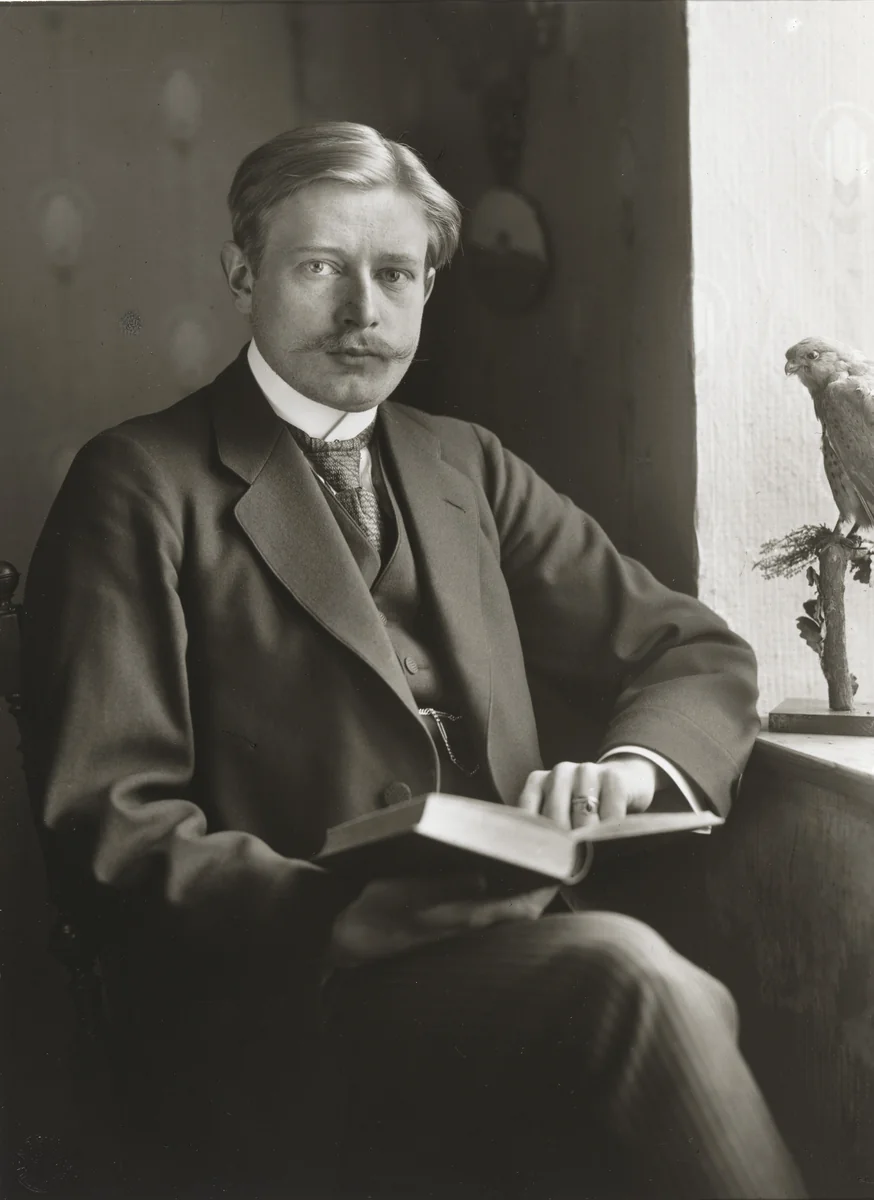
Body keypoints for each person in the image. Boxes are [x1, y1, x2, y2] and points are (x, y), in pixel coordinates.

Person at [21, 122, 805, 1199]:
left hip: (508, 946)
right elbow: (109, 825)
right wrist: (333, 915)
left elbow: (694, 648)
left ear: (430, 287)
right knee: (637, 986)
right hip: (288, 997)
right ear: (242, 272)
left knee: (661, 990)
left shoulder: (464, 465)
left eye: (395, 273)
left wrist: (628, 770)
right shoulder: (140, 483)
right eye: (318, 268)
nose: (362, 310)